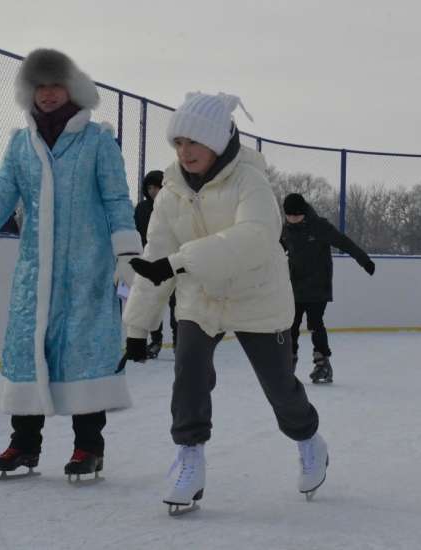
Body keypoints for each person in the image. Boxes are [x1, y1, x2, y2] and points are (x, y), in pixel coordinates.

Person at [0, 49, 141, 481]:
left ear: (71, 88)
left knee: (84, 356)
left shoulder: (98, 141)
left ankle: (89, 446)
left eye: (55, 86)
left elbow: (116, 200)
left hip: (86, 270)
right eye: (39, 87)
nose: (47, 95)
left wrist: (127, 254)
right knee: (27, 354)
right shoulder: (19, 144)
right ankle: (24, 444)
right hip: (35, 273)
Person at [119, 92, 328, 513]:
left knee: (280, 389)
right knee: (189, 374)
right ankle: (190, 457)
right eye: (178, 143)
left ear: (217, 140)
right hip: (202, 299)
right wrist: (137, 326)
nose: (185, 152)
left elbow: (254, 239)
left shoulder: (250, 182)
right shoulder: (170, 193)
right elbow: (154, 257)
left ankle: (309, 440)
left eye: (194, 142)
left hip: (258, 297)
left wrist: (178, 262)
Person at [280, 193, 375, 383]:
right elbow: (274, 251)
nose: (293, 220)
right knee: (291, 325)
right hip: (295, 286)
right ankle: (288, 361)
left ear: (304, 213)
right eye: (289, 216)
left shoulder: (319, 226)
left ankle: (322, 363)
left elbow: (344, 242)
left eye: (297, 216)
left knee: (315, 323)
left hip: (318, 286)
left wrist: (364, 260)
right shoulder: (285, 230)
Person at [134, 169, 177, 358]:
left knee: (176, 304)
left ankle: (179, 341)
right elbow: (137, 233)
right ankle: (156, 341)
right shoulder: (142, 209)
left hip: (171, 262)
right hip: (150, 262)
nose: (153, 191)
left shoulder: (173, 206)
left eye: (157, 187)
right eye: (150, 187)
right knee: (152, 304)